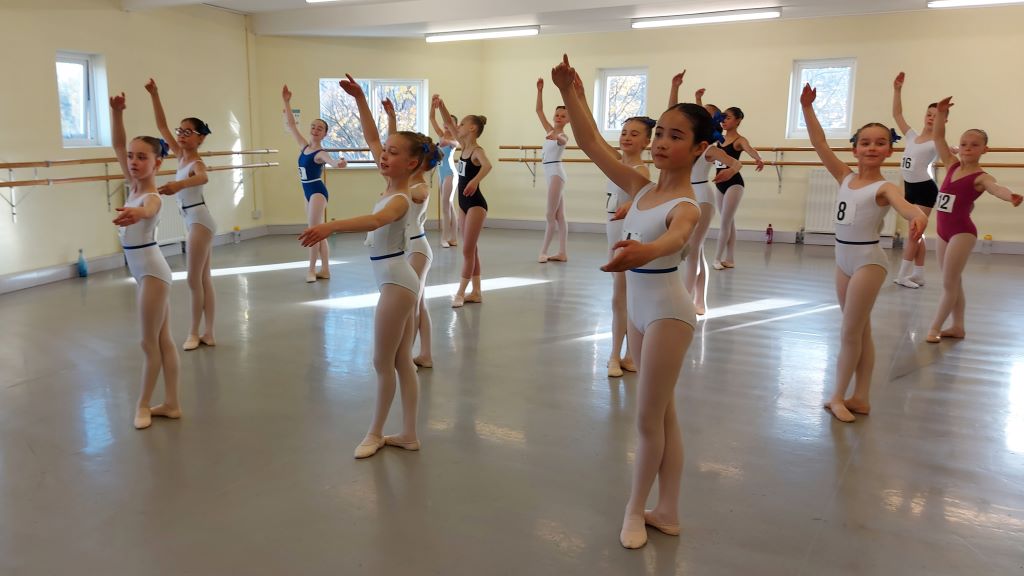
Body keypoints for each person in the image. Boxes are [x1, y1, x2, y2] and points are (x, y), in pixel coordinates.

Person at [554, 55, 703, 549]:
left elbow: (676, 241)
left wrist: (646, 250)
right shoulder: (639, 188)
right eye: (659, 132)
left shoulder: (686, 205)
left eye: (675, 135)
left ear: (700, 148)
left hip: (667, 311)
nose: (661, 141)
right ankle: (671, 510)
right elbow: (592, 144)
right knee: (664, 416)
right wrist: (570, 93)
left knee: (645, 419)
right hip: (641, 310)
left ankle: (634, 509)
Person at [299, 75, 428, 458]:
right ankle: (408, 434)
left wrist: (329, 224)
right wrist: (360, 100)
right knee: (402, 359)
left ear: (413, 163)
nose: (383, 156)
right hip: (395, 280)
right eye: (384, 152)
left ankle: (374, 433)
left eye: (392, 153)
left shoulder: (403, 197)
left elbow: (375, 222)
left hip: (397, 284)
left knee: (381, 361)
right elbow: (373, 136)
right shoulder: (391, 182)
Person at [801, 83, 928, 423]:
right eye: (865, 142)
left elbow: (907, 208)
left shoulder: (885, 187)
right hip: (842, 260)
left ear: (889, 151)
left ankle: (838, 396)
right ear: (855, 148)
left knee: (849, 331)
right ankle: (862, 397)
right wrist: (807, 109)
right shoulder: (843, 176)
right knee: (861, 330)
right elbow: (819, 143)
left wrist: (919, 216)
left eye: (880, 143)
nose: (872, 148)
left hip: (868, 261)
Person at [109, 92, 181, 430]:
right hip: (143, 271)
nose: (134, 162)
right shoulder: (132, 183)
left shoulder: (150, 196)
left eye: (142, 157)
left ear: (157, 163)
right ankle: (172, 403)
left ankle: (142, 405)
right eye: (131, 157)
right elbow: (117, 143)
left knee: (147, 342)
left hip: (152, 272)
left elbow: (148, 210)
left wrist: (136, 212)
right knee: (163, 339)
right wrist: (117, 113)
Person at [926, 96, 1022, 342]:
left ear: (984, 150)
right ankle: (958, 327)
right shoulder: (950, 165)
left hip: (962, 233)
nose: (968, 148)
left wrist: (1009, 195)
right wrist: (941, 115)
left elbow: (995, 187)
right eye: (964, 143)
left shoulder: (981, 176)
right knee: (953, 281)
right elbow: (938, 138)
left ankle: (934, 328)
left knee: (948, 283)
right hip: (943, 231)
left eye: (974, 144)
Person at [145, 78, 217, 350]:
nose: (182, 135)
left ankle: (193, 332)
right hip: (195, 219)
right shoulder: (179, 156)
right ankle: (208, 332)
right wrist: (155, 94)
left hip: (199, 220)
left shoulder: (196, 162)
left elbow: (203, 179)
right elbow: (161, 126)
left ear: (200, 137)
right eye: (181, 131)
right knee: (204, 278)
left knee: (192, 278)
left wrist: (178, 185)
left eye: (188, 132)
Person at [669, 73, 742, 315]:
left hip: (702, 197)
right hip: (687, 196)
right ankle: (700, 302)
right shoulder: (688, 141)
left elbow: (736, 163)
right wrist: (674, 87)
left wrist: (729, 171)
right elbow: (673, 114)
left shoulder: (710, 149)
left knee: (691, 250)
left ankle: (684, 303)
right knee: (696, 252)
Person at [382, 98, 439, 368]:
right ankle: (424, 353)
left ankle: (409, 354)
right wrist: (391, 118)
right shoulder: (410, 182)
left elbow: (415, 195)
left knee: (414, 305)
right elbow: (392, 141)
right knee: (420, 303)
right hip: (414, 248)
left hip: (417, 249)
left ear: (417, 163)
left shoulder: (420, 186)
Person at [604, 116, 654, 377]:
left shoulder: (641, 170)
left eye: (635, 134)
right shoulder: (615, 164)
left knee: (625, 295)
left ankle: (624, 354)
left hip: (630, 236)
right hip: (612, 235)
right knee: (619, 296)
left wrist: (632, 203)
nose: (626, 137)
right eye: (624, 132)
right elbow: (592, 138)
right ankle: (618, 353)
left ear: (647, 141)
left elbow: (641, 197)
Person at [282, 85, 346, 283]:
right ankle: (325, 269)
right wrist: (286, 101)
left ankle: (311, 270)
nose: (315, 130)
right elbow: (292, 125)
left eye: (320, 129)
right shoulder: (304, 146)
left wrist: (339, 163)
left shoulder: (320, 153)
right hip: (306, 191)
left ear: (325, 134)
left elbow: (331, 161)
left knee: (312, 231)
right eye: (313, 127)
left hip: (317, 192)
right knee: (319, 231)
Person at [434, 95, 492, 308]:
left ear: (472, 129)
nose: (456, 126)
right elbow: (448, 122)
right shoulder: (462, 146)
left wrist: (476, 181)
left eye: (462, 124)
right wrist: (441, 106)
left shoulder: (477, 151)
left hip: (476, 205)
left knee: (467, 251)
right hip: (463, 205)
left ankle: (460, 292)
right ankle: (476, 292)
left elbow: (487, 166)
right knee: (472, 250)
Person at [892, 72, 942, 289]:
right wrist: (897, 90)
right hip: (909, 188)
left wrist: (958, 149)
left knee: (914, 233)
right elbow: (897, 114)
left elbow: (949, 150)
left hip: (924, 189)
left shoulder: (936, 141)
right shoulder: (912, 136)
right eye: (929, 114)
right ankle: (919, 274)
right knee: (917, 233)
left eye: (936, 116)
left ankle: (903, 274)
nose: (931, 118)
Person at [712, 106, 766, 270]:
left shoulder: (739, 140)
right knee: (729, 222)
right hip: (719, 183)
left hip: (734, 183)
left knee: (725, 222)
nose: (723, 121)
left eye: (727, 118)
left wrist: (758, 158)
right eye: (722, 118)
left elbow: (749, 149)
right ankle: (730, 259)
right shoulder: (719, 139)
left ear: (738, 120)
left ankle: (716, 258)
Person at [536, 78, 570, 263]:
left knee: (550, 215)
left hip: (556, 174)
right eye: (557, 114)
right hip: (551, 173)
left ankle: (543, 251)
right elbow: (539, 111)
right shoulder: (549, 129)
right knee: (560, 216)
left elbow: (563, 141)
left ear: (568, 120)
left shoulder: (562, 134)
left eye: (563, 116)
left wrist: (557, 137)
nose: (558, 117)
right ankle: (562, 252)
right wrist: (540, 91)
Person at [430, 101, 459, 248]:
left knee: (445, 206)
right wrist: (432, 105)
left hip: (450, 174)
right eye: (446, 123)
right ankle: (453, 238)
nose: (446, 124)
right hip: (441, 174)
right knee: (449, 205)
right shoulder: (441, 135)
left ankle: (444, 238)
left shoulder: (455, 138)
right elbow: (432, 119)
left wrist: (446, 141)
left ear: (455, 125)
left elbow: (454, 144)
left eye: (450, 123)